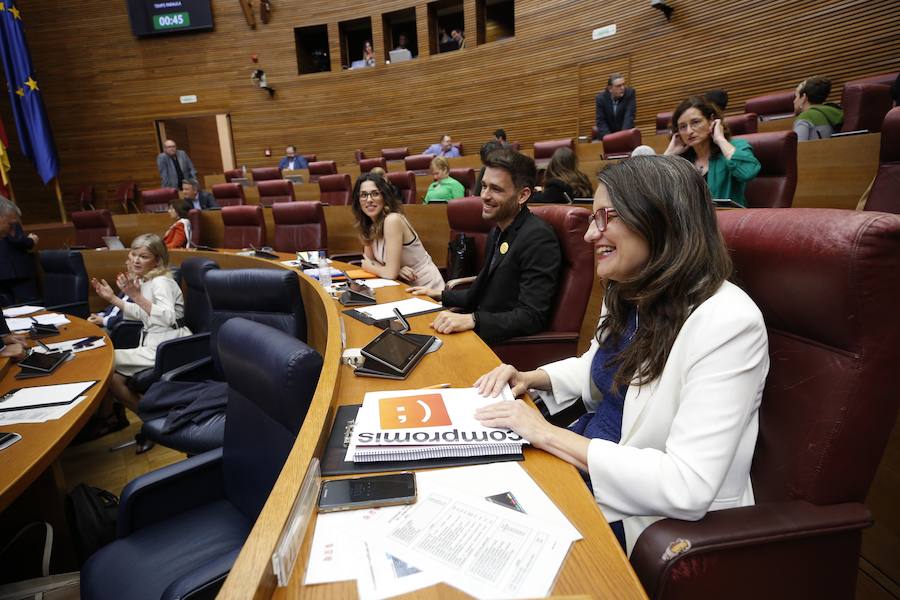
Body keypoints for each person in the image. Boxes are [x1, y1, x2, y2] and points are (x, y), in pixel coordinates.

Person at [473, 155, 769, 554]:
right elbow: (600, 369)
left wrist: (544, 432)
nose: (591, 236)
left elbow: (687, 484)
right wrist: (531, 378)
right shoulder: (630, 289)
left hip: (636, 516)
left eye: (604, 217)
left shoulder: (730, 322)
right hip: (579, 464)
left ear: (659, 218)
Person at [408, 147, 562, 344]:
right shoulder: (498, 231)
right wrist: (439, 295)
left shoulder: (538, 237)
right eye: (484, 186)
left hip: (503, 348)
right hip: (481, 334)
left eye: (496, 189)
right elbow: (479, 293)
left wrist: (472, 320)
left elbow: (531, 317)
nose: (484, 196)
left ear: (522, 196)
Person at [88, 234, 192, 435]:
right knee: (114, 379)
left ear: (158, 260)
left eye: (143, 256)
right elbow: (143, 314)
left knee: (102, 360)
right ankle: (153, 421)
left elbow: (167, 317)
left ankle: (153, 423)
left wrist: (134, 295)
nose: (136, 260)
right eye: (134, 254)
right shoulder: (147, 281)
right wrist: (113, 298)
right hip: (155, 343)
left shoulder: (161, 281)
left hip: (168, 345)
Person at [352, 173, 444, 290]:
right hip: (401, 288)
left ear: (384, 197)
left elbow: (382, 271)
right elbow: (371, 261)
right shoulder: (369, 225)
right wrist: (397, 270)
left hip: (427, 291)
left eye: (375, 194)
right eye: (364, 195)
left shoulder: (393, 220)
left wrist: (373, 267)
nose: (369, 200)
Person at [664, 96, 761, 206]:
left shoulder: (734, 147)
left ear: (711, 121)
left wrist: (720, 140)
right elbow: (655, 192)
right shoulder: (681, 159)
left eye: (695, 122)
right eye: (682, 127)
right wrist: (668, 155)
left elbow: (748, 172)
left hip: (728, 219)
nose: (689, 131)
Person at [0, 196, 39, 305]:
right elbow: (17, 239)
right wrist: (31, 241)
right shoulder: (8, 214)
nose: (10, 230)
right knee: (29, 306)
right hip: (16, 270)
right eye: (10, 224)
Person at [793, 76, 844, 141]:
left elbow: (797, 147)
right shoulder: (835, 113)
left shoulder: (806, 116)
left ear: (803, 97)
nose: (794, 101)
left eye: (796, 97)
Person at [595, 73, 636, 140]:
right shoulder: (601, 98)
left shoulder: (629, 93)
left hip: (626, 136)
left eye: (623, 84)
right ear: (610, 89)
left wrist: (622, 137)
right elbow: (601, 121)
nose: (622, 88)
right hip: (608, 138)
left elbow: (629, 116)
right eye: (618, 86)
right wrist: (610, 139)